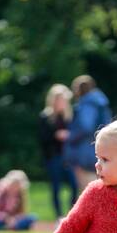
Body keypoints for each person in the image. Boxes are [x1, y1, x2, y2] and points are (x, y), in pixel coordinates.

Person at [63, 75, 112, 193]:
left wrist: (70, 136)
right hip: (98, 149)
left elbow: (86, 127)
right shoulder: (100, 102)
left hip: (86, 153)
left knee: (88, 190)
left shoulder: (88, 104)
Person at [38, 84, 78, 219]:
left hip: (70, 158)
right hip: (54, 157)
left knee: (74, 185)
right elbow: (42, 139)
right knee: (56, 187)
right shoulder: (45, 117)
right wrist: (56, 135)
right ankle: (59, 215)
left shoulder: (70, 116)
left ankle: (72, 214)